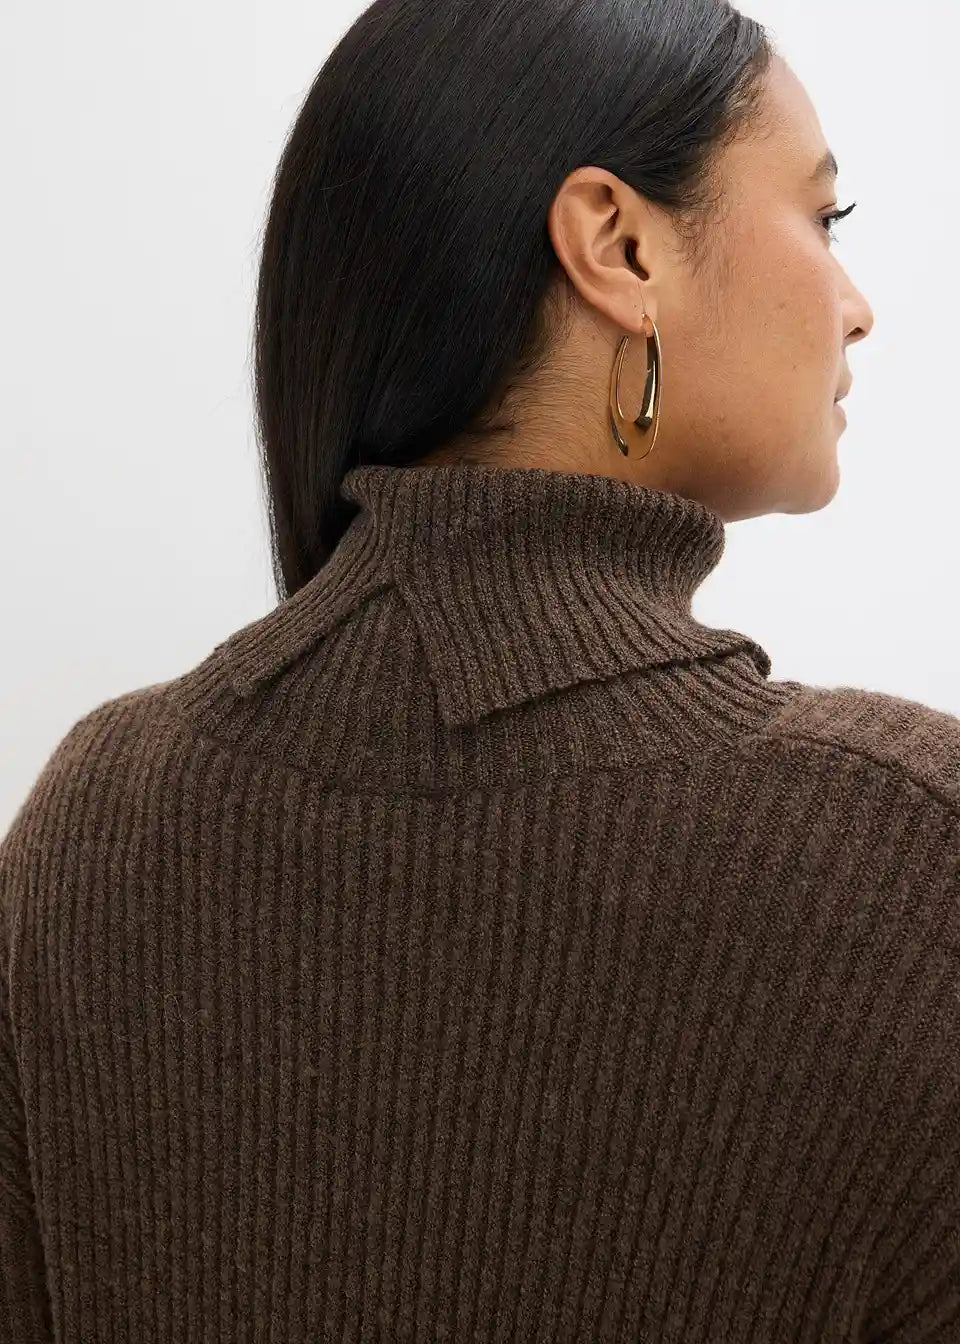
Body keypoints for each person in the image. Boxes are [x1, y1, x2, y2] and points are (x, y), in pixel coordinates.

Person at [2, 0, 957, 1340]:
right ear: (618, 244)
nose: (856, 308)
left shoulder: (96, 819)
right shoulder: (906, 848)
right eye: (825, 218)